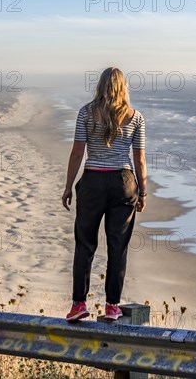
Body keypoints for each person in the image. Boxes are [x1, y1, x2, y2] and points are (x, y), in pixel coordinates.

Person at [62, 67, 147, 322]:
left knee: (85, 243)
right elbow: (139, 159)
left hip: (92, 182)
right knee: (117, 247)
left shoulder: (86, 113)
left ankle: (79, 304)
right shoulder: (136, 117)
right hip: (124, 183)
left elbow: (78, 152)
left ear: (99, 85)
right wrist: (143, 192)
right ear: (124, 87)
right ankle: (112, 306)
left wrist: (68, 186)